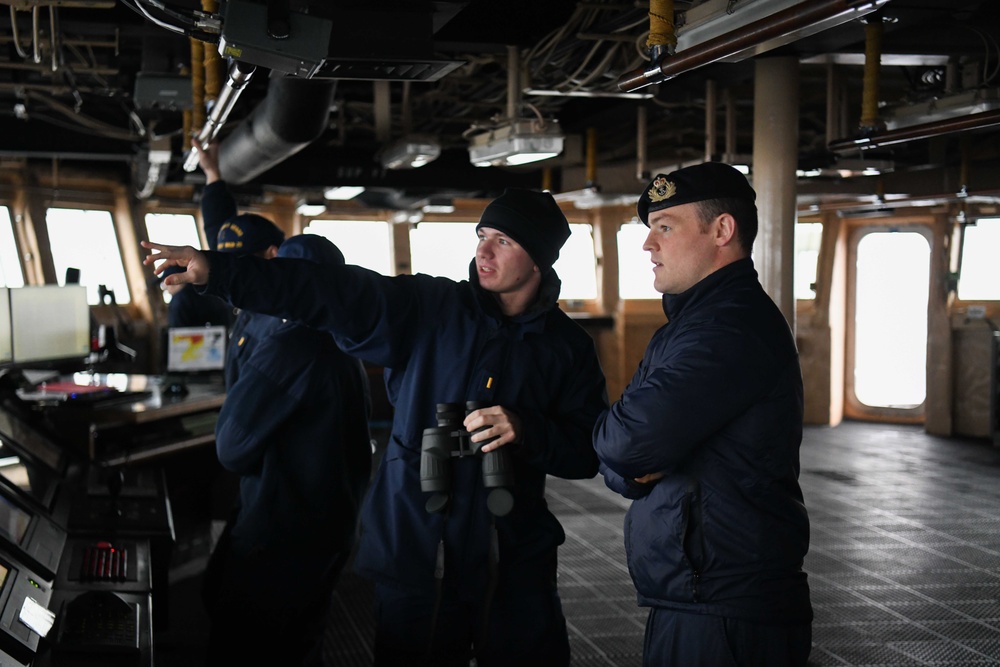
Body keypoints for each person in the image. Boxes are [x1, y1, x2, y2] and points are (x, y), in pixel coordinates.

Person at [143, 188, 609, 666]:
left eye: (504, 241)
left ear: (539, 259)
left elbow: (589, 451)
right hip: (416, 551)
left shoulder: (566, 348)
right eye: (481, 235)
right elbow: (329, 291)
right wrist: (220, 272)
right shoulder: (430, 309)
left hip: (514, 561)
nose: (483, 251)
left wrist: (528, 430)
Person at [592, 162, 812, 666]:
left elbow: (620, 441)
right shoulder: (693, 324)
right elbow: (625, 456)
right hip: (699, 592)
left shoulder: (727, 329)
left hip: (725, 604)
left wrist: (632, 456)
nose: (649, 245)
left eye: (665, 227)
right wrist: (633, 464)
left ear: (722, 230)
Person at [200, 234, 373, 666]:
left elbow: (232, 447)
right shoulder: (345, 342)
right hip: (331, 526)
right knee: (300, 643)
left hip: (281, 536)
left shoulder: (292, 344)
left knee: (248, 645)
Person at [192, 140, 285, 388]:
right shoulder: (249, 294)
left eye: (241, 264)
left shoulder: (280, 317)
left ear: (272, 255)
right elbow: (218, 229)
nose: (232, 274)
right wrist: (213, 173)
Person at [158, 264, 234, 328]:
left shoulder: (180, 300)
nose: (166, 288)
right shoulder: (204, 290)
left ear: (176, 280)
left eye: (166, 282)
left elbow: (178, 333)